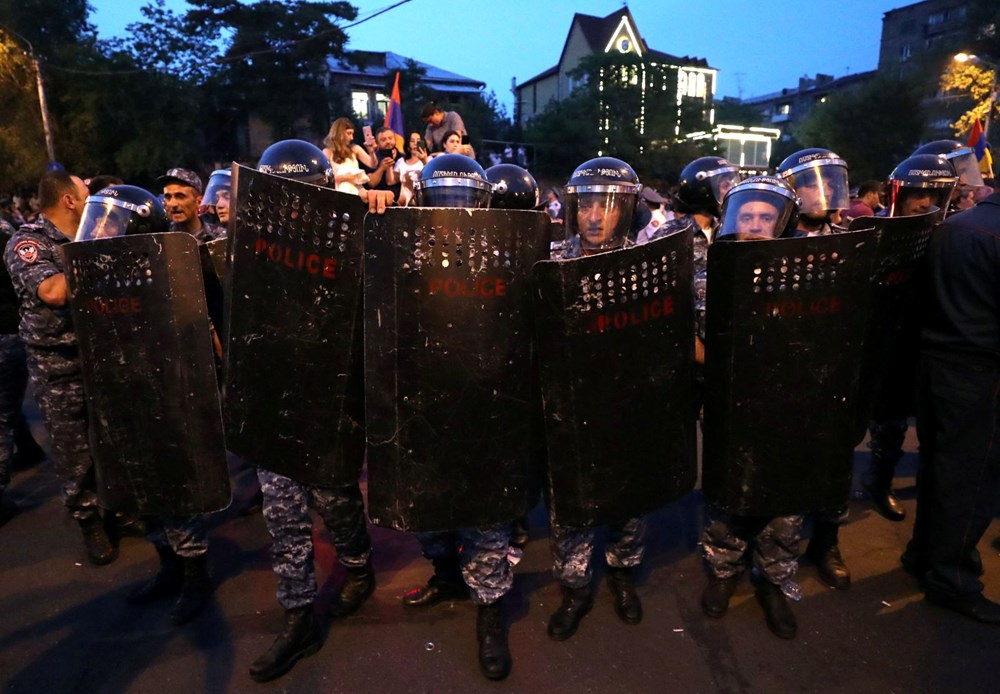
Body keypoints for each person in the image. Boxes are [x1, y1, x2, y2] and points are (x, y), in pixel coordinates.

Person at [246, 139, 385, 683]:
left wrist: (378, 217)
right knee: (283, 513)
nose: (294, 206)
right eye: (283, 195)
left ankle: (357, 565)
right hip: (273, 399)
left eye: (303, 194)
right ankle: (298, 616)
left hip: (328, 399)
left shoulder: (350, 238)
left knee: (337, 499)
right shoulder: (249, 241)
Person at [72, 184, 217, 624]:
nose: (101, 231)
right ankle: (168, 564)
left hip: (163, 386)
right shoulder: (98, 273)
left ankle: (195, 572)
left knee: (173, 482)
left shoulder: (172, 266)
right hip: (119, 386)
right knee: (140, 482)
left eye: (111, 222)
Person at [403, 153, 513, 680]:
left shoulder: (501, 251)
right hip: (424, 400)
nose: (452, 209)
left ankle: (490, 609)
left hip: (484, 399)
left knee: (485, 511)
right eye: (441, 197)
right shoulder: (403, 247)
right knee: (429, 506)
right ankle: (446, 574)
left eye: (462, 198)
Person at [543, 157, 648, 642]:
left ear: (625, 210)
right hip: (569, 400)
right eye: (585, 204)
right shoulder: (553, 257)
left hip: (626, 399)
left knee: (628, 493)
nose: (593, 216)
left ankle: (624, 571)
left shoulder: (646, 263)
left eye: (605, 206)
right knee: (571, 497)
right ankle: (575, 586)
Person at [699, 175, 803, 639]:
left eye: (766, 217)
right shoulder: (711, 271)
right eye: (747, 216)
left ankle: (774, 579)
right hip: (727, 397)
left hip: (787, 400)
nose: (756, 225)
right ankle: (724, 570)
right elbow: (693, 338)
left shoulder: (806, 269)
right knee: (726, 487)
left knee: (783, 492)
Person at [3, 170, 116, 564]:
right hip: (59, 369)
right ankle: (89, 520)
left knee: (113, 441)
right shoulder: (29, 241)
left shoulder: (83, 238)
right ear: (69, 200)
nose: (93, 200)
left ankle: (120, 507)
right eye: (86, 193)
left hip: (101, 359)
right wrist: (94, 247)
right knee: (74, 453)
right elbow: (53, 292)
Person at [901, 186, 1000, 624]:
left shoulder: (953, 226)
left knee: (939, 467)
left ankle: (924, 554)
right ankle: (951, 578)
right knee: (971, 481)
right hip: (980, 371)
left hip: (936, 362)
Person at [864, 154, 958, 523]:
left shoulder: (948, 234)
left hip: (919, 339)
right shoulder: (872, 229)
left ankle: (884, 480)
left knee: (901, 423)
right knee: (872, 420)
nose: (924, 202)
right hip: (875, 337)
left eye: (933, 196)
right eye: (917, 193)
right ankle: (861, 488)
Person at [777, 148, 855, 590]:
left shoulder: (852, 237)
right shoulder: (773, 237)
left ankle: (826, 541)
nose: (820, 192)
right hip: (787, 367)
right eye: (808, 183)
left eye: (827, 180)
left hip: (835, 365)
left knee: (834, 458)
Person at [158, 168, 222, 242]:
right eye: (168, 197)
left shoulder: (218, 237)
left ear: (199, 202)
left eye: (180, 197)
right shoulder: (159, 238)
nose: (173, 204)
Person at [322, 118, 376, 195]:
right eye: (349, 133)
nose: (352, 138)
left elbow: (372, 164)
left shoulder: (355, 149)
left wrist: (371, 152)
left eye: (352, 134)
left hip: (357, 190)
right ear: (339, 133)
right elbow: (325, 178)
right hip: (339, 190)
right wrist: (347, 177)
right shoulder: (327, 152)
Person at [394, 132, 427, 206]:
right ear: (408, 144)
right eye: (412, 141)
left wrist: (424, 161)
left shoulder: (429, 160)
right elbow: (391, 181)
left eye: (418, 141)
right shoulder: (401, 161)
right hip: (403, 203)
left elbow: (432, 176)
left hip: (423, 202)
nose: (415, 143)